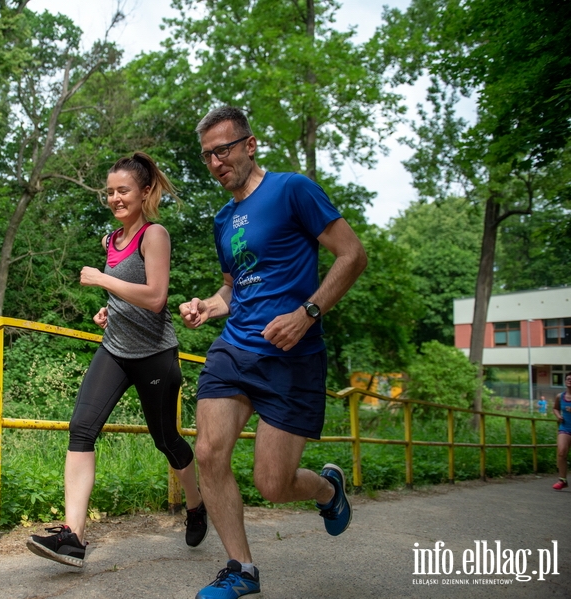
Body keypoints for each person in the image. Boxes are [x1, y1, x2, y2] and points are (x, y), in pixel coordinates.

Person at [179, 106, 367, 599]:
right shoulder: (223, 219)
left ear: (249, 144)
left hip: (292, 356)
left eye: (223, 150)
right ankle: (241, 569)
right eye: (207, 156)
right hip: (236, 348)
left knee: (273, 483)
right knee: (208, 452)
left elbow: (353, 255)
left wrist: (309, 312)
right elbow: (232, 289)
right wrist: (207, 306)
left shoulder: (292, 190)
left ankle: (328, 490)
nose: (216, 162)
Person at [26, 152, 206, 567]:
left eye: (123, 190)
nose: (114, 198)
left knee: (165, 439)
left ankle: (196, 506)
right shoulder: (111, 240)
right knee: (81, 429)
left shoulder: (153, 235)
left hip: (155, 355)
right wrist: (110, 307)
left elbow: (157, 297)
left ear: (144, 192)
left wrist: (103, 280)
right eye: (109, 192)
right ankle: (73, 537)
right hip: (115, 350)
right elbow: (129, 293)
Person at [552, 374, 571, 490]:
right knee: (562, 452)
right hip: (565, 427)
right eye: (568, 379)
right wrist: (558, 416)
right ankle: (562, 479)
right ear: (565, 381)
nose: (570, 381)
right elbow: (555, 408)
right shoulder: (560, 396)